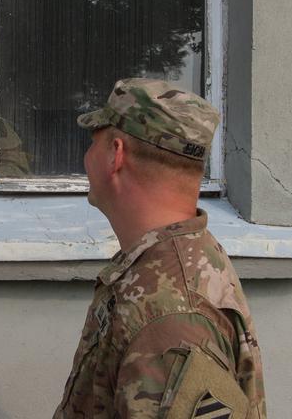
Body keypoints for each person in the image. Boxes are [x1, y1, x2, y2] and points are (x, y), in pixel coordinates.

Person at [54, 78, 265, 419]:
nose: (87, 156)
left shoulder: (169, 316)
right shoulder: (180, 259)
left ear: (114, 154)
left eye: (94, 141)